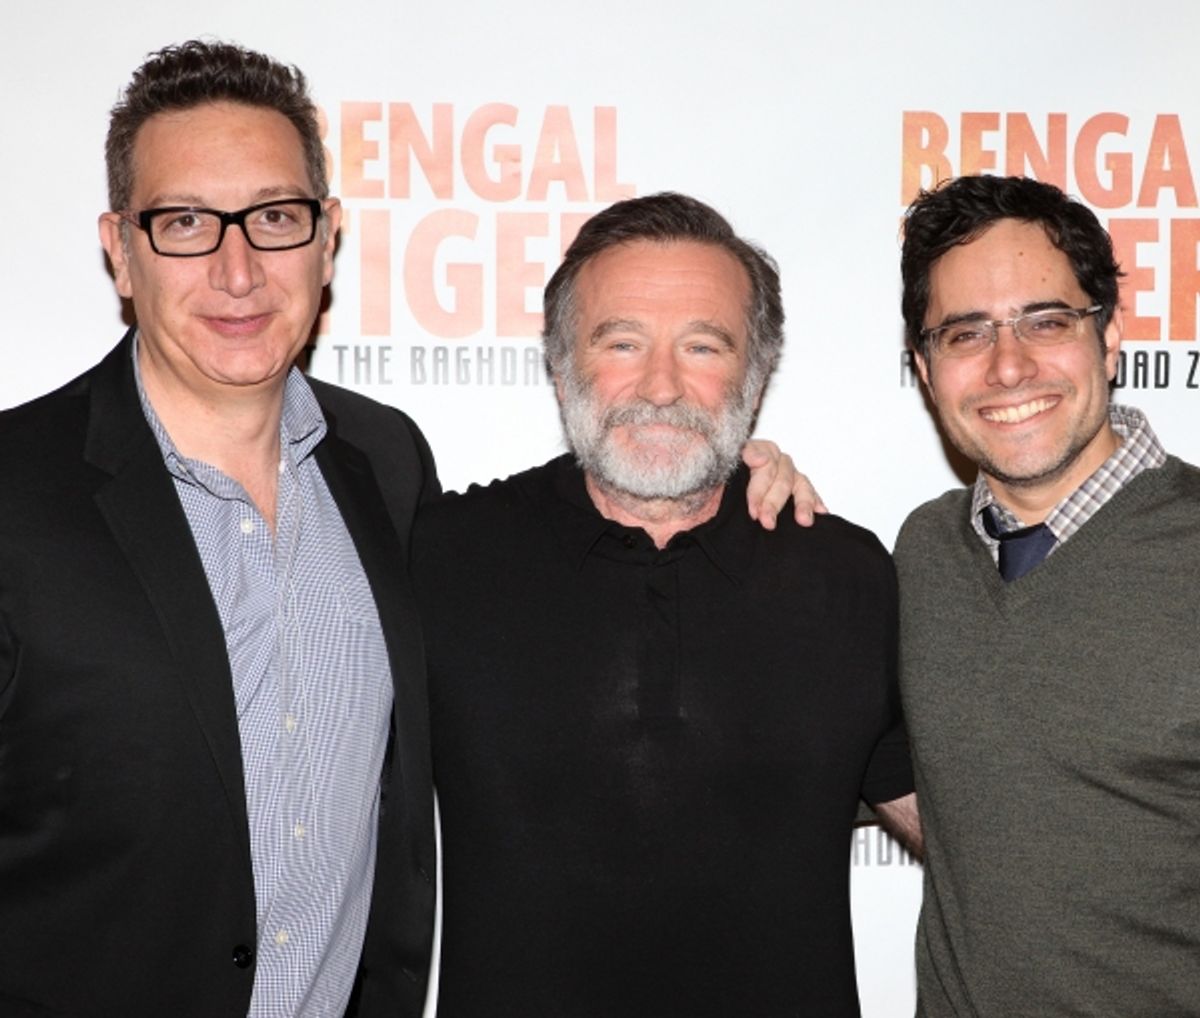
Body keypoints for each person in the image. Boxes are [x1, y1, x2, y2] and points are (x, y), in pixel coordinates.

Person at [0, 42, 814, 1018]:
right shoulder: (16, 490)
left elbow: (564, 554)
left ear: (327, 238)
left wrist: (721, 471)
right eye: (184, 223)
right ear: (120, 249)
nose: (238, 267)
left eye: (274, 217)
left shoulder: (386, 464)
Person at [412, 192, 920, 1018]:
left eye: (703, 346)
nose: (661, 386)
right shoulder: (439, 558)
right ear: (560, 362)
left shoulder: (849, 577)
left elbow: (965, 833)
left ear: (753, 379)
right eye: (621, 342)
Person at [896, 174, 1200, 1016]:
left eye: (1047, 320)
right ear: (925, 369)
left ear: (1108, 339)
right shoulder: (920, 554)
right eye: (965, 334)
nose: (1009, 365)